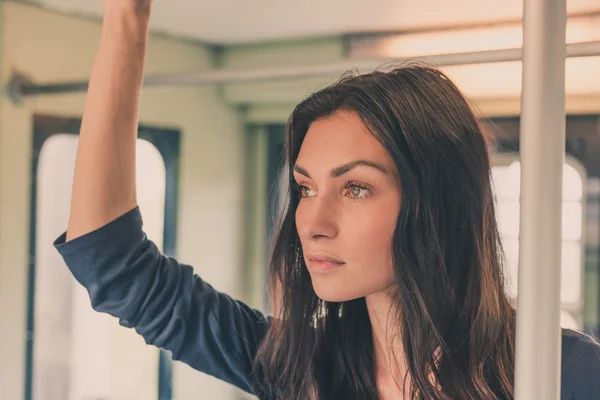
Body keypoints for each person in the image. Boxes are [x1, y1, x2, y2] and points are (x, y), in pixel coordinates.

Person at [53, 1, 600, 399]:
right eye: (306, 187)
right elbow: (113, 261)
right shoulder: (303, 369)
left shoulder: (564, 376)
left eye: (355, 188)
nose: (311, 221)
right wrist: (128, 19)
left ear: (436, 205)